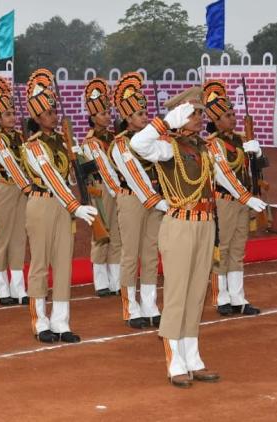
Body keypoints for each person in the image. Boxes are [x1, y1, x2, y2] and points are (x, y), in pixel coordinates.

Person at [129, 86, 267, 388]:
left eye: (199, 113)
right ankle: (174, 362)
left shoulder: (204, 147)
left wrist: (246, 197)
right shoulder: (168, 146)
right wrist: (166, 122)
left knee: (196, 295)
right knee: (178, 293)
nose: (199, 118)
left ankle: (192, 358)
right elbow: (138, 143)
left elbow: (223, 175)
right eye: (193, 113)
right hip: (180, 224)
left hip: (205, 224)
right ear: (179, 115)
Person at [21, 68, 98, 343]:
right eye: (48, 112)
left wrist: (75, 154)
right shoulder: (33, 146)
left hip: (63, 204)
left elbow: (66, 176)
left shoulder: (61, 142)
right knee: (40, 263)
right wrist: (75, 205)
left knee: (63, 263)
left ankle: (61, 322)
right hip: (43, 203)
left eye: (54, 111)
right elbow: (51, 177)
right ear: (36, 118)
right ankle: (40, 321)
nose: (54, 116)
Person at [108, 72, 166, 329]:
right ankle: (131, 307)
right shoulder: (120, 144)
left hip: (156, 200)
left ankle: (150, 305)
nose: (145, 117)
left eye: (146, 113)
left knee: (151, 253)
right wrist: (155, 199)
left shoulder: (153, 140)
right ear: (127, 118)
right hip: (132, 200)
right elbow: (134, 175)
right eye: (140, 114)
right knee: (130, 254)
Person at [202, 80, 263, 317]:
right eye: (227, 116)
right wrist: (246, 197)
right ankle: (221, 297)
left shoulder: (241, 139)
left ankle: (238, 298)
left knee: (238, 249)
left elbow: (254, 168)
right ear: (216, 121)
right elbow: (224, 174)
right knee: (223, 248)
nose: (233, 119)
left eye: (233, 114)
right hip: (225, 200)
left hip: (243, 200)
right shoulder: (213, 144)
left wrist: (257, 151)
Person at [0, 75, 30, 306]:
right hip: (3, 189)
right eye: (7, 114)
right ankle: (2, 289)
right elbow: (11, 165)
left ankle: (19, 288)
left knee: (19, 238)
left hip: (22, 190)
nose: (12, 117)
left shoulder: (21, 137)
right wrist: (29, 187)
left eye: (13, 113)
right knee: (0, 237)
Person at [81, 78, 122, 297]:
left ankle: (116, 281)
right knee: (101, 233)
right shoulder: (91, 142)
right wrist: (118, 190)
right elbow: (104, 169)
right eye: (103, 113)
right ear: (93, 117)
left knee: (117, 234)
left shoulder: (114, 138)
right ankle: (101, 282)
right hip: (102, 189)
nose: (108, 116)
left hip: (115, 187)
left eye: (109, 112)